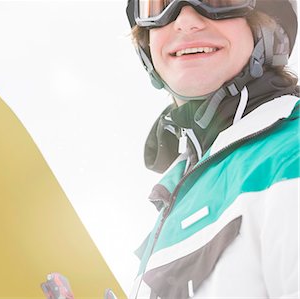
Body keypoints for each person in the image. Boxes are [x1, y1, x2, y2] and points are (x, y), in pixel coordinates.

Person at [125, 0, 299, 298]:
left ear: (268, 22)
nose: (185, 20)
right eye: (161, 3)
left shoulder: (289, 156)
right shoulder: (180, 190)